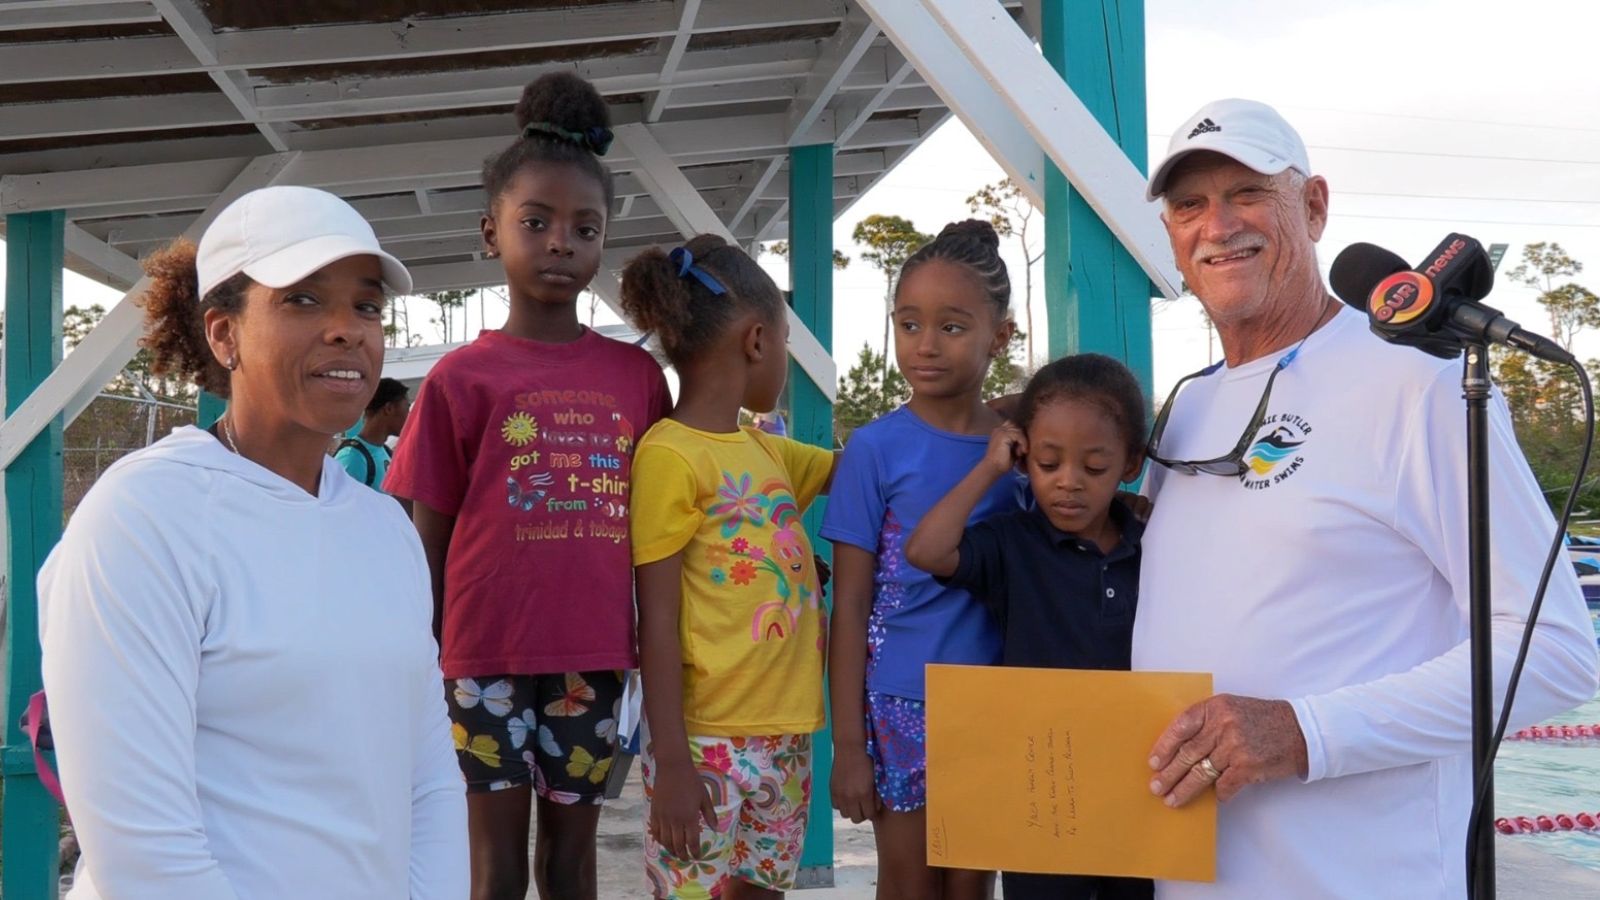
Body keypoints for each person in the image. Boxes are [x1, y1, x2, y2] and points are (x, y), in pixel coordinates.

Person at [1134, 98, 1599, 897]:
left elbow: (1552, 651)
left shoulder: (1419, 383)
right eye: (1189, 205)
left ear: (1313, 206)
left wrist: (1304, 732)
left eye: (1247, 193)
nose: (1216, 225)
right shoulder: (1185, 411)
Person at [37, 185, 467, 900]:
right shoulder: (145, 519)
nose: (346, 329)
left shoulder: (383, 527)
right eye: (302, 299)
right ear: (224, 334)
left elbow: (427, 779)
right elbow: (143, 853)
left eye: (365, 305)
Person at [384, 72, 671, 900]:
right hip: (480, 659)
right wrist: (418, 656)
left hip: (595, 657)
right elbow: (426, 537)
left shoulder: (636, 378)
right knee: (495, 865)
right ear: (490, 232)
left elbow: (658, 527)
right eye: (535, 222)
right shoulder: (458, 379)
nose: (560, 242)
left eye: (585, 228)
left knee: (573, 865)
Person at [623, 235, 836, 899]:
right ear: (755, 341)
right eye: (784, 344)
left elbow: (869, 466)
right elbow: (655, 621)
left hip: (789, 732)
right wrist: (673, 763)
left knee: (763, 891)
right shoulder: (672, 457)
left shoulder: (765, 449)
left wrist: (990, 414)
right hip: (706, 742)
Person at [822, 220, 1022, 899]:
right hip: (897, 703)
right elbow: (846, 605)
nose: (925, 345)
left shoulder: (1022, 454)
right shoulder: (873, 450)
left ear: (1001, 335)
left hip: (994, 703)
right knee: (909, 885)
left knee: (972, 887)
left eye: (952, 328)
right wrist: (847, 744)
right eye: (908, 325)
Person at [906, 354, 1153, 900]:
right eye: (1047, 462)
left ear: (1130, 462)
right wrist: (989, 466)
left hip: (1138, 789)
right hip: (1042, 797)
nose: (1068, 484)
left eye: (1093, 468)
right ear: (1024, 459)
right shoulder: (1012, 544)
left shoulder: (1152, 540)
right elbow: (926, 549)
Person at [336, 376, 409, 492]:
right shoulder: (352, 457)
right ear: (388, 409)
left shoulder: (385, 451)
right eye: (407, 409)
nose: (410, 417)